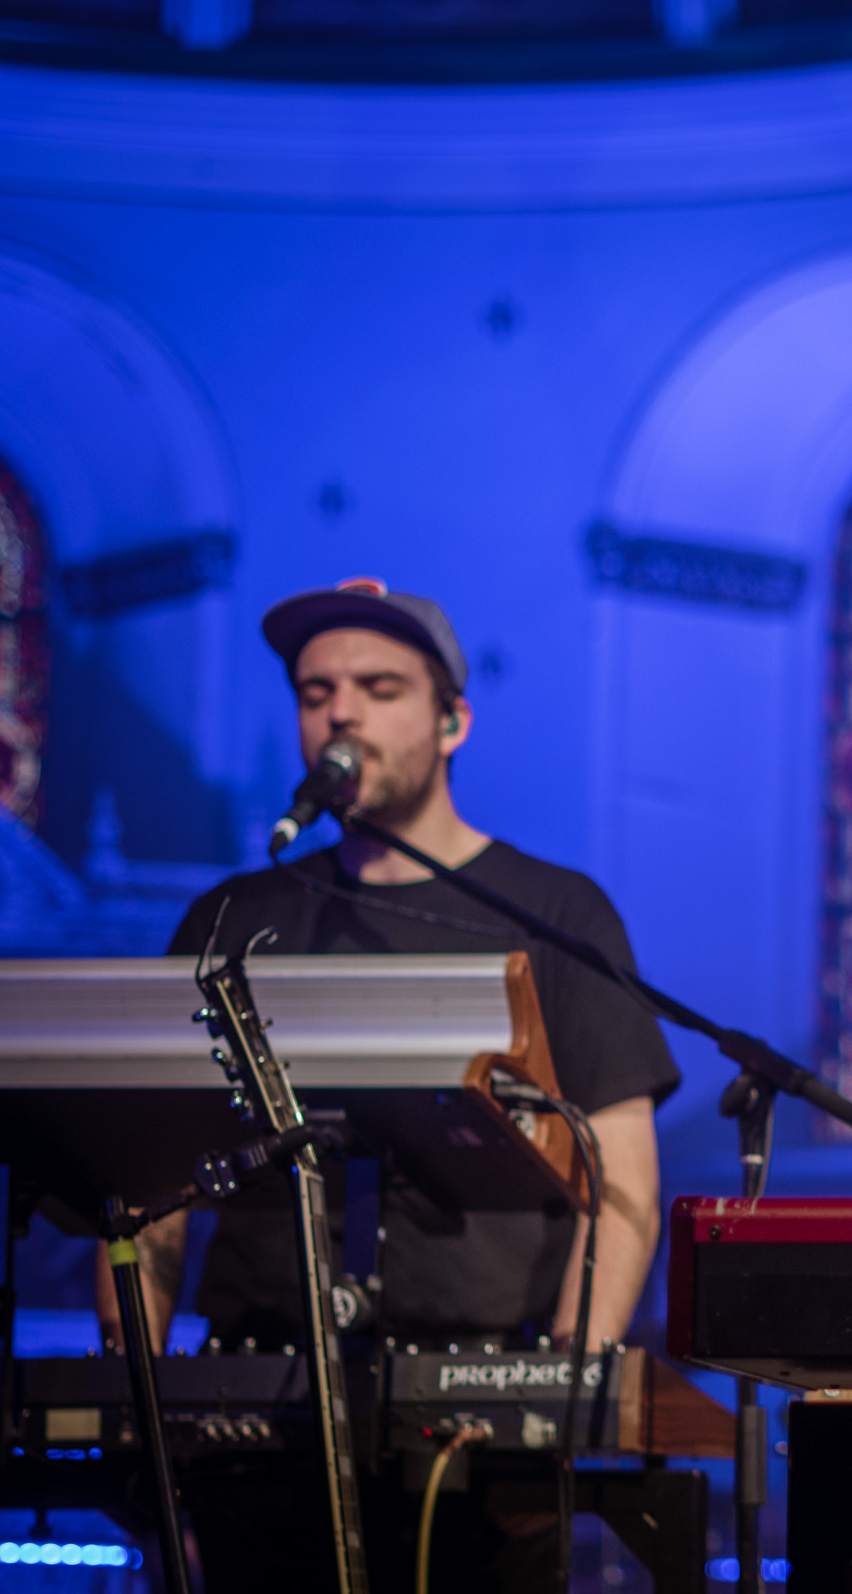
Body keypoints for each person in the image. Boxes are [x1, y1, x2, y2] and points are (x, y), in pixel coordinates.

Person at [103, 577, 679, 1590]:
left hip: (483, 1423)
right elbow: (155, 1189)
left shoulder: (557, 913)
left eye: (378, 686)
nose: (341, 712)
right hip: (254, 1407)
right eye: (317, 690)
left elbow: (620, 1167)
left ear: (454, 720)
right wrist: (136, 1409)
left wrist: (558, 1390)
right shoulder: (233, 918)